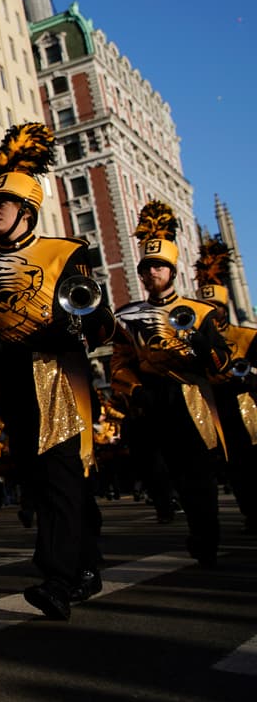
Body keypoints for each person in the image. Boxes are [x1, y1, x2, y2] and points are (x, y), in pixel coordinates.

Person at [0, 123, 113, 621]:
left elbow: (99, 321)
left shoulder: (66, 252)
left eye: (0, 205)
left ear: (27, 209)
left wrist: (72, 328)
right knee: (43, 478)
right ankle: (86, 563)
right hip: (11, 377)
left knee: (62, 475)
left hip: (60, 379)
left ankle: (58, 578)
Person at [110, 201, 229, 567]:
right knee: (167, 470)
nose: (152, 274)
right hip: (152, 398)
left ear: (172, 271)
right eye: (146, 269)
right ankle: (185, 519)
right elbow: (119, 364)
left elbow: (220, 364)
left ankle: (205, 536)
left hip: (190, 397)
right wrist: (135, 390)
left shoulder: (201, 312)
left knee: (197, 473)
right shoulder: (128, 316)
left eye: (159, 267)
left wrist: (204, 344)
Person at [193, 236, 257, 535]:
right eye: (206, 306)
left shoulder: (244, 334)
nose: (212, 311)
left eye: (215, 306)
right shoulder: (194, 337)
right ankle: (250, 510)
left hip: (248, 403)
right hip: (218, 405)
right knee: (238, 465)